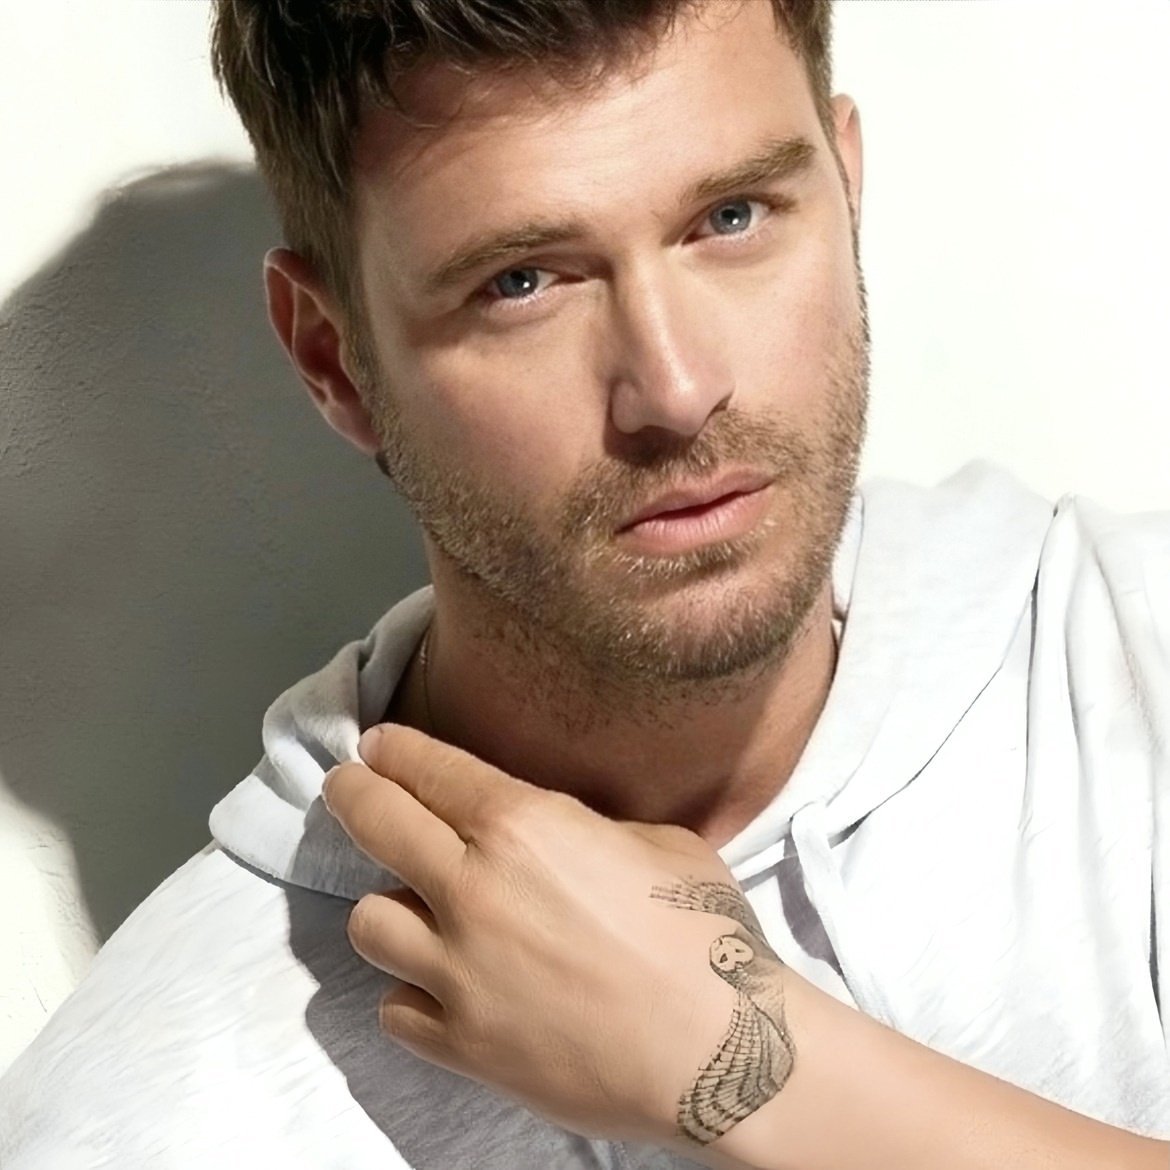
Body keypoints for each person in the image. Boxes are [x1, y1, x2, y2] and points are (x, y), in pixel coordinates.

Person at [1, 1, 1167, 1167]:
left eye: (732, 216)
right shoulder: (141, 1122)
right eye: (521, 282)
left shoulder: (1130, 653)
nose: (675, 388)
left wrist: (755, 1070)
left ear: (846, 189)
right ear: (333, 358)